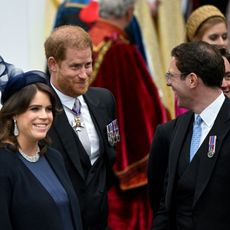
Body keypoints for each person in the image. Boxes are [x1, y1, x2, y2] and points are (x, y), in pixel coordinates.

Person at [88, 0, 167, 229]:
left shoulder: (88, 40)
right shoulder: (119, 50)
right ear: (130, 12)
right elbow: (136, 110)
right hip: (120, 168)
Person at [45, 25, 118, 230]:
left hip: (99, 220)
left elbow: (109, 156)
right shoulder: (38, 110)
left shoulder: (104, 100)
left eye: (88, 64)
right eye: (75, 67)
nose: (84, 74)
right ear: (53, 64)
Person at [152, 41, 230, 230]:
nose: (168, 82)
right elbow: (164, 202)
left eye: (171, 76)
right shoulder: (172, 131)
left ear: (192, 80)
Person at [0, 70, 83, 230]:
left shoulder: (54, 157)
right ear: (14, 114)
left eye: (48, 108)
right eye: (35, 108)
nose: (45, 116)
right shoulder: (3, 163)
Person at [175, 4, 228, 116]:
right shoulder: (185, 80)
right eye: (213, 37)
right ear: (196, 41)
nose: (221, 43)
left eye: (224, 36)